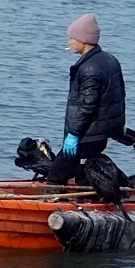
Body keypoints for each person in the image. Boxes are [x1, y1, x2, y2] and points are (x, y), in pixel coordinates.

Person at [44, 13, 125, 183]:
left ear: (84, 40)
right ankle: (86, 200)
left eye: (72, 38)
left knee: (56, 173)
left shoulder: (89, 68)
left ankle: (52, 205)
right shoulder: (110, 60)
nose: (69, 41)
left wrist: (73, 134)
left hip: (87, 134)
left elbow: (88, 105)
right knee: (82, 173)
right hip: (102, 132)